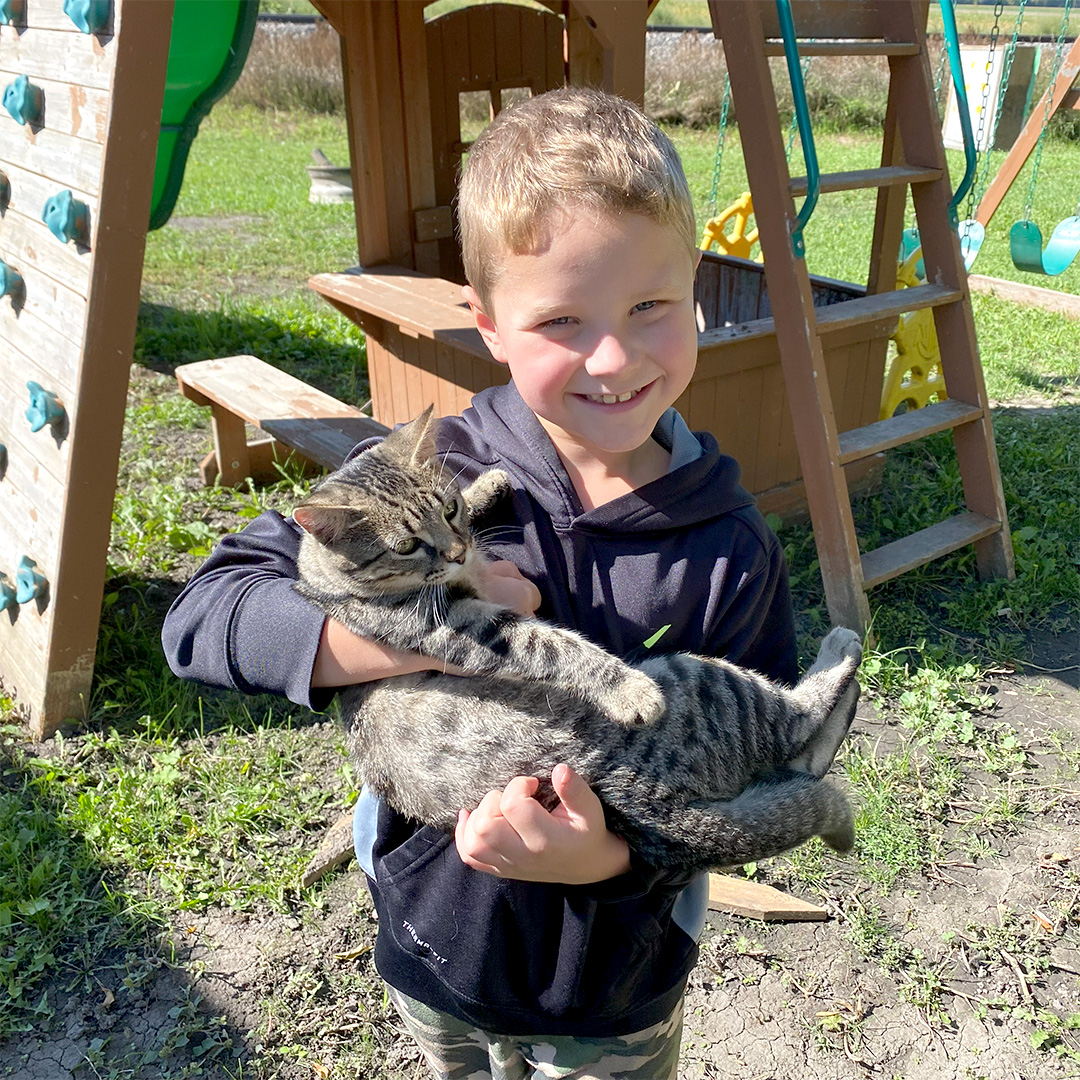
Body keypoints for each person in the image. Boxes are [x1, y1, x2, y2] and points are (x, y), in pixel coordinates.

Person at [162, 86, 797, 1080]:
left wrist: (613, 863)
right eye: (560, 319)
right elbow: (206, 616)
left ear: (699, 290)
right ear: (488, 324)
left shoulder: (727, 545)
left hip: (613, 987)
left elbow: (762, 772)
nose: (614, 355)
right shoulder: (425, 474)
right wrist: (418, 630)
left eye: (650, 307)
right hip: (431, 947)